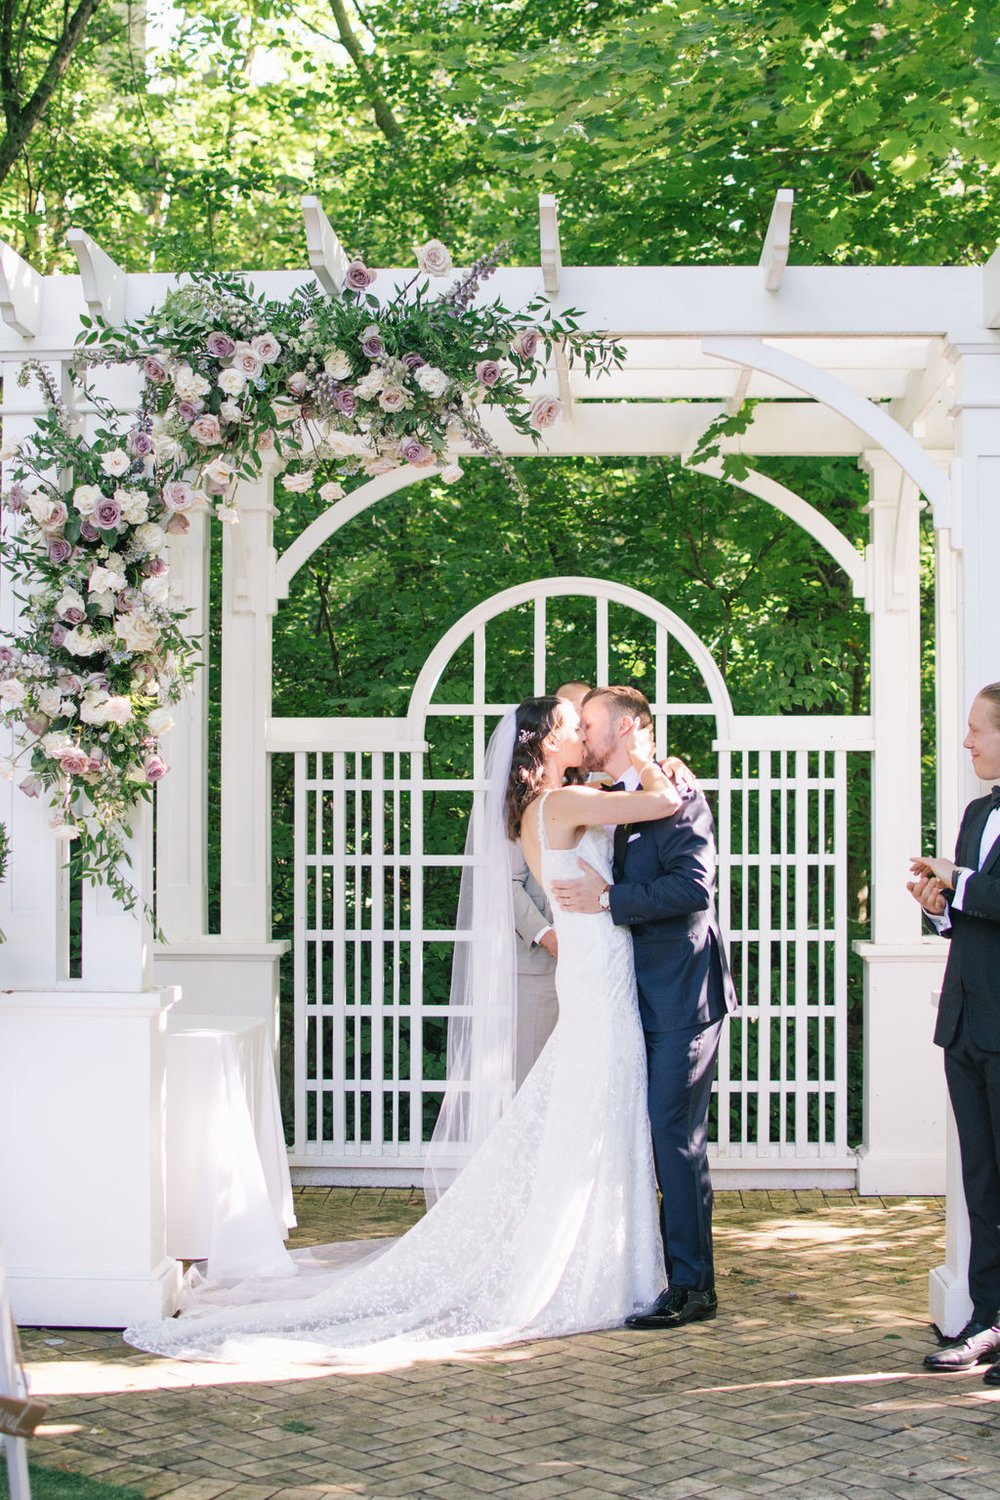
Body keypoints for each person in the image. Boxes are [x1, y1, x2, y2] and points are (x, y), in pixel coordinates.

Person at [123, 695, 683, 1365]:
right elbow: (661, 805)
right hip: (595, 972)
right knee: (597, 1104)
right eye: (569, 727)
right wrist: (654, 764)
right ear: (542, 745)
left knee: (599, 1110)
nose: (581, 732)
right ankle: (586, 1269)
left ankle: (604, 1260)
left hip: (600, 970)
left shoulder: (561, 800)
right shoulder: (558, 808)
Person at [551, 686, 737, 1330]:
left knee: (674, 1139)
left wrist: (609, 901)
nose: (585, 734)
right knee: (653, 1135)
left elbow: (693, 887)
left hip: (683, 993)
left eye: (593, 723)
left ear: (628, 726)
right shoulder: (625, 796)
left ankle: (693, 1287)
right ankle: (659, 1270)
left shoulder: (678, 796)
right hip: (635, 996)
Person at [909, 683, 1000, 1385]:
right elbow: (971, 920)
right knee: (980, 1183)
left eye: (976, 730)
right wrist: (939, 906)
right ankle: (986, 1321)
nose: (967, 742)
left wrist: (959, 881)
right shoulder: (975, 814)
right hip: (966, 1023)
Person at [511, 680, 591, 1086]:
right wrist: (549, 936)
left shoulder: (582, 790)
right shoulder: (518, 798)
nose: (584, 733)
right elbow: (504, 883)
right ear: (549, 738)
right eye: (577, 724)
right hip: (539, 965)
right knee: (532, 1081)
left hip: (586, 960)